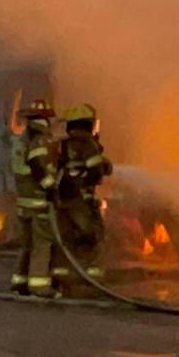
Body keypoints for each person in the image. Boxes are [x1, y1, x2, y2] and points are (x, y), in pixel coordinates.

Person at [53, 102, 113, 288]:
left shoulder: (62, 145)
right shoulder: (87, 144)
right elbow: (95, 171)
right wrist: (95, 175)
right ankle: (93, 277)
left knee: (65, 238)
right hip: (81, 200)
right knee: (93, 236)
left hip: (61, 200)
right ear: (87, 124)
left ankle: (61, 277)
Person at [10, 99, 62, 297]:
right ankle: (39, 286)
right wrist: (50, 188)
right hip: (37, 202)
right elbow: (37, 166)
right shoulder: (39, 141)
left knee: (27, 245)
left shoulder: (22, 141)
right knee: (42, 244)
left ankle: (20, 281)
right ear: (42, 121)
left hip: (24, 202)